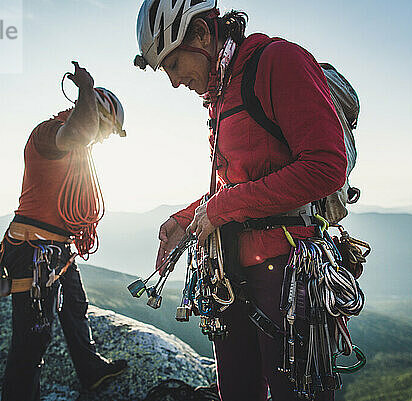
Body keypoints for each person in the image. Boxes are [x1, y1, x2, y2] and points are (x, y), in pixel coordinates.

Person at [135, 1, 347, 400]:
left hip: (285, 271)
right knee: (235, 390)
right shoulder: (222, 91)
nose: (174, 82)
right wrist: (187, 219)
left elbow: (326, 166)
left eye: (175, 64)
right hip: (230, 272)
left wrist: (222, 209)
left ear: (201, 34)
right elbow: (236, 186)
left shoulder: (277, 62)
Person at [0, 62, 127, 401]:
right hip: (32, 249)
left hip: (56, 248)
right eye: (103, 130)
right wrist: (87, 89)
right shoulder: (50, 134)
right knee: (31, 340)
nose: (100, 139)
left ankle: (90, 370)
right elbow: (78, 132)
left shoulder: (76, 150)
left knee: (75, 307)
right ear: (92, 114)